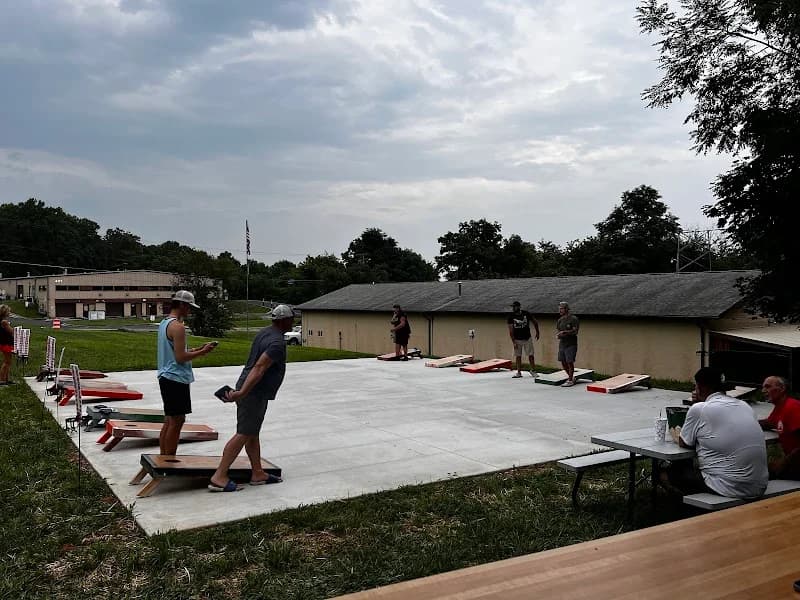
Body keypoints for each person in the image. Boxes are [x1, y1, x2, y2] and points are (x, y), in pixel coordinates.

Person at [209, 304, 295, 492]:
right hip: (253, 392)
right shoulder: (277, 343)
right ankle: (219, 476)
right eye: (292, 318)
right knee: (243, 433)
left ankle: (257, 473)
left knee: (252, 433)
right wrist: (243, 393)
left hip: (250, 388)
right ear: (284, 321)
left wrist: (242, 390)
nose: (293, 321)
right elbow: (259, 368)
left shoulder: (264, 333)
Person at [667, 367, 768, 499]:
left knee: (672, 472)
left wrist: (697, 405)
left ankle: (683, 506)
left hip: (729, 487)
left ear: (700, 387)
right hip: (759, 485)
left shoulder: (699, 409)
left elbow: (684, 443)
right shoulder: (744, 406)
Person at [156, 290, 216, 455]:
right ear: (182, 305)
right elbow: (181, 357)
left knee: (170, 420)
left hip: (166, 376)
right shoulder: (178, 327)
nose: (189, 311)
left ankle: (163, 457)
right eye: (189, 307)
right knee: (177, 421)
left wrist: (196, 349)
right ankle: (169, 459)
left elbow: (176, 351)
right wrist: (203, 352)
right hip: (175, 378)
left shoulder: (165, 323)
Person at [759, 376, 800, 480]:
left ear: (782, 389)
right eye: (763, 387)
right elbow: (768, 423)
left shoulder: (792, 407)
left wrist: (783, 463)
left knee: (757, 473)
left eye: (768, 387)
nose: (763, 391)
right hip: (793, 463)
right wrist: (746, 423)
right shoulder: (780, 407)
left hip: (796, 466)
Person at [507, 300, 540, 378]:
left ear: (519, 307)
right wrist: (514, 342)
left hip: (527, 338)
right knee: (518, 356)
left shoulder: (526, 313)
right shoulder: (511, 317)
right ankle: (519, 372)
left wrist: (537, 332)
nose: (513, 308)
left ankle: (533, 370)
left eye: (514, 307)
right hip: (517, 339)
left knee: (531, 355)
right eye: (512, 307)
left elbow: (535, 322)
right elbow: (511, 331)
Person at [556, 301, 579, 387]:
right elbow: (558, 331)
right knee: (563, 361)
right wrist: (559, 335)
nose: (560, 310)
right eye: (559, 309)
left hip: (571, 344)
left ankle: (570, 380)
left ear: (566, 309)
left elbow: (575, 331)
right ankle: (571, 377)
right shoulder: (559, 320)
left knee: (570, 362)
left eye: (561, 309)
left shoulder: (573, 319)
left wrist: (565, 332)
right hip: (562, 343)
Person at [0, 304, 14, 386]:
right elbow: (11, 331)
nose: (9, 313)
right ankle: (2, 379)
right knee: (7, 362)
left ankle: (6, 379)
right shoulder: (4, 322)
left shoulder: (2, 321)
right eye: (8, 311)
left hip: (5, 343)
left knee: (8, 362)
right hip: (6, 344)